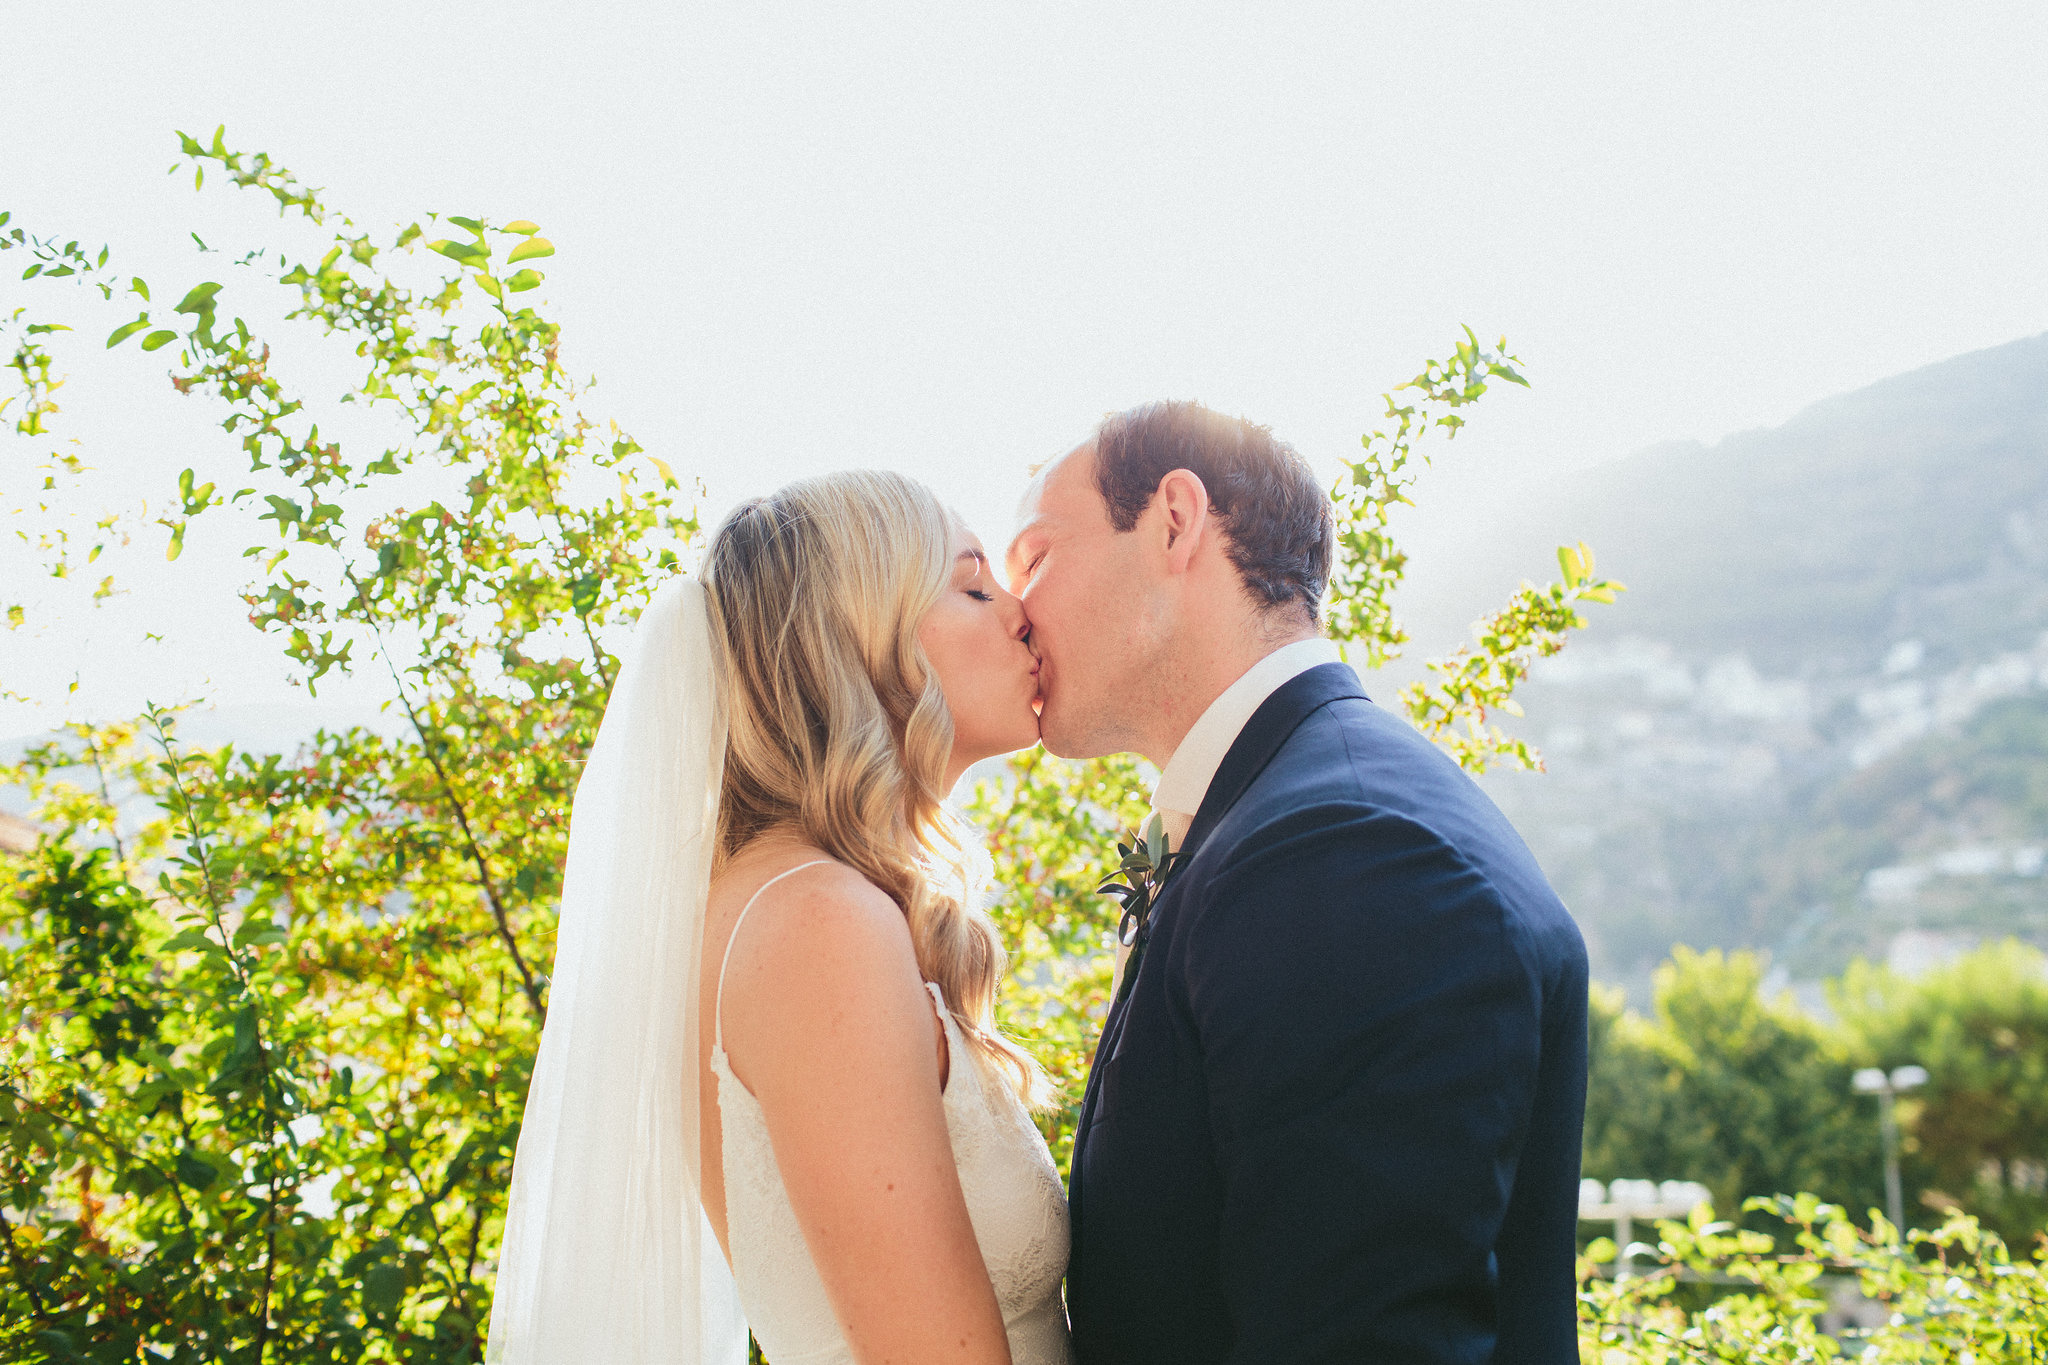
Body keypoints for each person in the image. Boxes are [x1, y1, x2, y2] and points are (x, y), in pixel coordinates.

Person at [1008, 401, 1590, 1364]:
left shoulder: (1345, 854)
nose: (1018, 609)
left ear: (1174, 520)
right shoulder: (1284, 823)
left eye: (1035, 556)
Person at [488, 471, 1072, 1365]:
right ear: (857, 642)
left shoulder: (810, 899)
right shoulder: (815, 923)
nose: (1018, 612)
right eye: (972, 585)